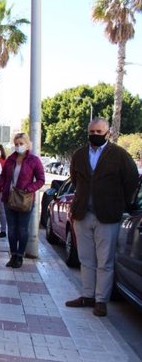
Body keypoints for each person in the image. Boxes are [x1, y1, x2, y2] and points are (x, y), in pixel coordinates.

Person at [65, 118, 138, 317]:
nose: (95, 135)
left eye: (99, 131)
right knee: (86, 258)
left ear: (108, 133)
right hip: (83, 214)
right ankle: (87, 295)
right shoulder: (80, 155)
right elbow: (75, 179)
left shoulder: (119, 155)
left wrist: (120, 202)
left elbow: (131, 180)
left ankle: (101, 301)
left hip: (108, 216)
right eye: (92, 131)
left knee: (104, 261)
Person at [0, 133, 45, 268]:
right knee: (11, 229)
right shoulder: (11, 159)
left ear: (27, 144)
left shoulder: (34, 160)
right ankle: (13, 255)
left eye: (21, 143)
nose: (19, 146)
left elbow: (41, 179)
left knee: (22, 229)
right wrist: (2, 186)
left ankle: (20, 256)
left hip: (25, 199)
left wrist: (29, 188)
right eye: (16, 144)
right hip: (9, 198)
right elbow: (3, 175)